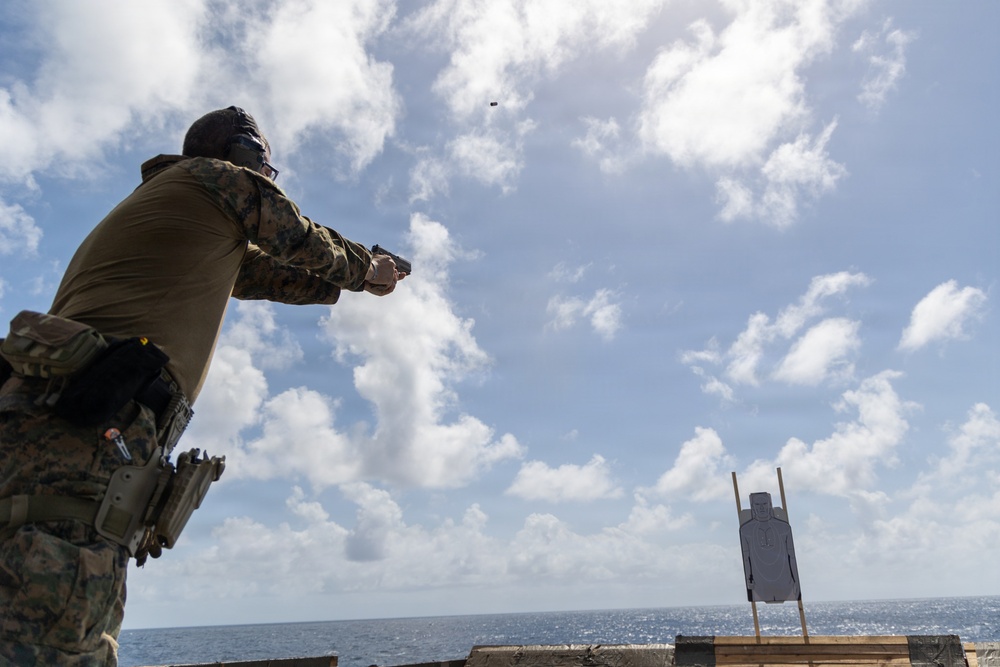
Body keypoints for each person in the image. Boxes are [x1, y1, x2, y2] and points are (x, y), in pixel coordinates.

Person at [0, 106, 404, 665]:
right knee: (56, 622)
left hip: (65, 414)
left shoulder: (188, 207)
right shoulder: (216, 180)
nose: (272, 179)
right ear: (245, 156)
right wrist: (368, 270)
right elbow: (297, 236)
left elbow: (275, 273)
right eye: (269, 167)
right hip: (94, 420)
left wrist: (353, 284)